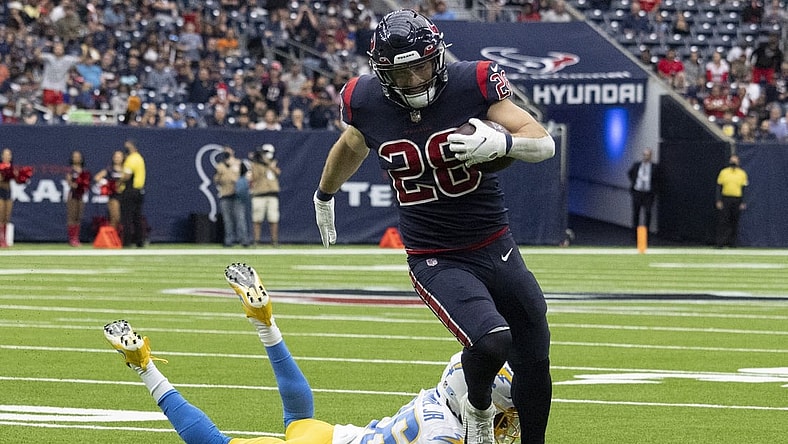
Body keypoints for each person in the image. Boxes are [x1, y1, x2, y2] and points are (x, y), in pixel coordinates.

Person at [312, 10, 554, 444]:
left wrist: (504, 142)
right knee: (491, 340)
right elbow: (351, 145)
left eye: (421, 67)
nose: (413, 81)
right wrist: (324, 194)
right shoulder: (366, 102)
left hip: (495, 243)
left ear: (438, 57)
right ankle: (476, 409)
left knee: (534, 350)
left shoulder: (472, 82)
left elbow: (543, 141)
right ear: (381, 74)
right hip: (435, 256)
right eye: (399, 74)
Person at [103, 263, 521, 444]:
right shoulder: (446, 435)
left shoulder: (440, 398)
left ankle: (264, 322)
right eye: (502, 416)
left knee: (299, 420)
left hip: (334, 435)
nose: (504, 427)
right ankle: (144, 365)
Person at [214, 146, 251, 247]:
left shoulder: (239, 163)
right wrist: (222, 176)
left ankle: (243, 239)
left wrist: (240, 183)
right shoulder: (220, 166)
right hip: (225, 194)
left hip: (237, 194)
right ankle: (229, 240)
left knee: (240, 218)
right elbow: (216, 179)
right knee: (228, 220)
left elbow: (246, 176)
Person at [249, 144, 282, 247]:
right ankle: (256, 240)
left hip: (272, 194)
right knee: (257, 219)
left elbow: (277, 172)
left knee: (273, 218)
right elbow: (255, 177)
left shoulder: (272, 164)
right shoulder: (255, 165)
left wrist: (268, 164)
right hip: (259, 193)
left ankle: (274, 241)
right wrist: (258, 162)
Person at [0, 148, 32, 248]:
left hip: (8, 192)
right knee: (1, 216)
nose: (7, 156)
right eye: (5, 154)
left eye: (9, 155)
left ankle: (4, 239)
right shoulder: (1, 167)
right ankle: (1, 240)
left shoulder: (12, 168)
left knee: (7, 217)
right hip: (0, 192)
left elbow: (17, 181)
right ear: (2, 156)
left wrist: (22, 177)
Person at [715, 155, 748, 248]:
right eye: (732, 160)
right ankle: (720, 243)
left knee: (734, 221)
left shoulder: (742, 173)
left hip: (737, 199)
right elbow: (719, 187)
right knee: (723, 221)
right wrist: (718, 200)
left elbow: (744, 188)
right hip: (726, 198)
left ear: (738, 162)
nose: (733, 162)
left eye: (735, 160)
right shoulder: (724, 172)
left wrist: (743, 202)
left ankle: (732, 243)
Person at [627, 148, 662, 236]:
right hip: (637, 192)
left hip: (648, 194)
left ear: (650, 156)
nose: (646, 157)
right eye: (645, 155)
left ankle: (646, 232)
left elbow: (658, 179)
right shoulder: (637, 165)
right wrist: (635, 183)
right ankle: (635, 233)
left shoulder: (654, 167)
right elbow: (630, 173)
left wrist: (654, 189)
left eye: (648, 155)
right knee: (636, 213)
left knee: (648, 212)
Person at [119, 140, 147, 247]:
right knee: (137, 217)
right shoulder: (140, 158)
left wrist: (118, 183)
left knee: (127, 217)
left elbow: (127, 175)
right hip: (139, 190)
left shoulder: (131, 159)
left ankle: (126, 242)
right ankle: (139, 241)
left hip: (130, 190)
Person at [93, 150, 125, 230]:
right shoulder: (109, 170)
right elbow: (96, 177)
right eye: (116, 157)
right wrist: (106, 183)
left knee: (122, 218)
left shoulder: (125, 170)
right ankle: (111, 235)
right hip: (113, 196)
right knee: (115, 217)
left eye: (119, 157)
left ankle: (119, 235)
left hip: (124, 196)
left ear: (123, 158)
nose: (117, 159)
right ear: (113, 158)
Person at [65, 150, 90, 247]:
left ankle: (76, 237)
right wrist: (74, 184)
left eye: (78, 156)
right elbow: (69, 181)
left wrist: (84, 185)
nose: (76, 158)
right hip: (73, 194)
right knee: (72, 216)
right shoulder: (70, 170)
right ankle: (72, 239)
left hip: (81, 195)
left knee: (78, 216)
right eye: (74, 156)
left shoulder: (84, 171)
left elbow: (87, 181)